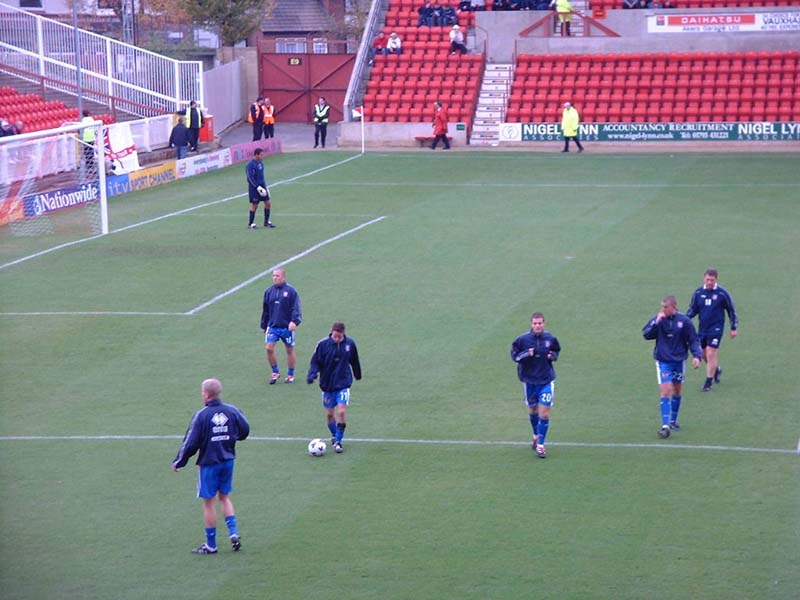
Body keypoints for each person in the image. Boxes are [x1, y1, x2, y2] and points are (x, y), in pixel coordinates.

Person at [172, 378, 250, 555]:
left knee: (209, 504)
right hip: (228, 460)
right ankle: (233, 533)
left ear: (206, 394)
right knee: (225, 497)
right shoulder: (232, 410)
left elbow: (191, 442)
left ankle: (211, 545)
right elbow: (245, 429)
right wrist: (232, 437)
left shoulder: (202, 415)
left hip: (209, 464)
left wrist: (180, 461)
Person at [642, 296, 702, 438]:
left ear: (673, 307)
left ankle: (673, 420)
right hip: (663, 361)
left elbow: (693, 339)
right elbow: (646, 334)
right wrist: (656, 322)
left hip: (679, 361)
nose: (662, 309)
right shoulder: (658, 319)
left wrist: (697, 356)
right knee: (666, 390)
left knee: (677, 390)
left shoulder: (684, 321)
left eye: (665, 307)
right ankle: (665, 426)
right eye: (662, 306)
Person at [511, 312, 561, 459]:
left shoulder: (550, 338)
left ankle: (541, 444)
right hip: (530, 382)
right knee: (533, 410)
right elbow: (515, 356)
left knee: (544, 413)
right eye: (535, 323)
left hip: (546, 381)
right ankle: (535, 434)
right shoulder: (522, 340)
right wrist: (528, 353)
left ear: (544, 324)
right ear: (531, 324)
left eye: (540, 323)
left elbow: (556, 351)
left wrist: (553, 356)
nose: (538, 326)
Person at [307, 322, 362, 454]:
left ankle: (338, 441)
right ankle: (334, 435)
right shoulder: (322, 345)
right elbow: (315, 361)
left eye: (339, 336)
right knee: (330, 414)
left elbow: (354, 360)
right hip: (327, 385)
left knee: (341, 412)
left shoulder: (350, 344)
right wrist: (312, 374)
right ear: (331, 332)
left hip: (343, 383)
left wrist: (357, 374)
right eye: (335, 336)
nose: (337, 338)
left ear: (343, 334)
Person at [686, 268, 738, 392]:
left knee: (710, 352)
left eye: (712, 280)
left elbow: (731, 310)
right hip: (703, 328)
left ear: (716, 279)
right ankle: (716, 369)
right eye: (707, 279)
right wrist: (684, 319)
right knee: (703, 354)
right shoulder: (698, 293)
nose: (709, 282)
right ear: (704, 278)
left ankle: (708, 383)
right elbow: (693, 310)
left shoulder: (722, 294)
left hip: (716, 328)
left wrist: (733, 327)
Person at [261, 267, 302, 384]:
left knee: (289, 350)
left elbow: (296, 307)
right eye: (273, 276)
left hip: (286, 327)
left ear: (283, 277)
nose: (275, 278)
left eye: (277, 276)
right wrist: (264, 324)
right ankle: (275, 372)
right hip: (273, 326)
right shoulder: (269, 292)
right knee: (269, 348)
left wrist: (294, 321)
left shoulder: (291, 291)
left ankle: (290, 374)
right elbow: (265, 309)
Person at [245, 148, 274, 229]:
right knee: (255, 205)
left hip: (262, 186)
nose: (262, 156)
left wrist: (265, 186)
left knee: (268, 203)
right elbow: (250, 178)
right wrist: (257, 187)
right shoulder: (250, 165)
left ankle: (266, 222)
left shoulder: (261, 163)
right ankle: (250, 224)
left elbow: (261, 176)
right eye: (261, 155)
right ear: (256, 154)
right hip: (254, 188)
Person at [79, 109, 96, 175]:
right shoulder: (91, 119)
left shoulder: (83, 120)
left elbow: (81, 128)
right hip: (92, 137)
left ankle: (89, 167)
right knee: (91, 153)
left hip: (86, 138)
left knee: (87, 153)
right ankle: (91, 167)